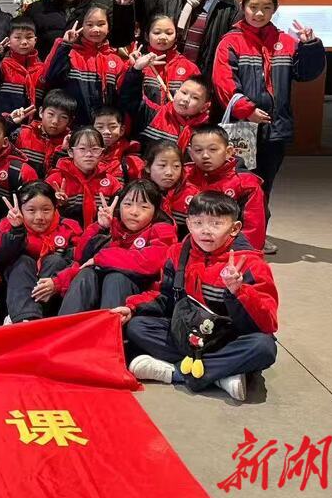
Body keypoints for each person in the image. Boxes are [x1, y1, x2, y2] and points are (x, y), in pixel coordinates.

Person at [119, 192, 278, 403]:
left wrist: (239, 292)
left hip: (226, 338)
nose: (205, 230)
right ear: (188, 224)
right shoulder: (177, 254)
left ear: (234, 228)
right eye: (198, 223)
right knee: (137, 327)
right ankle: (221, 374)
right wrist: (133, 308)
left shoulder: (252, 265)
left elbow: (268, 323)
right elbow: (164, 297)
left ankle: (175, 373)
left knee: (263, 347)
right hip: (188, 333)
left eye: (216, 223)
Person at [213, 0, 325, 243]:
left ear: (275, 9)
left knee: (265, 183)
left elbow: (306, 74)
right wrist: (247, 110)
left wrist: (310, 46)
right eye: (253, 7)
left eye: (266, 7)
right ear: (243, 7)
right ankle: (231, 234)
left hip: (276, 127)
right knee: (239, 181)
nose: (259, 13)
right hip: (242, 127)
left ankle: (257, 235)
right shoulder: (231, 41)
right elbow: (223, 81)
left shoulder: (286, 42)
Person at [54, 180, 177, 314]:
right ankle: (68, 325)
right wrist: (100, 226)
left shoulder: (163, 230)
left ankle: (110, 326)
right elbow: (80, 257)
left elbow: (149, 262)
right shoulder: (113, 224)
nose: (134, 212)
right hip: (99, 290)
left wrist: (101, 258)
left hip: (139, 298)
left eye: (144, 207)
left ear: (155, 211)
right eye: (128, 204)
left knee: (116, 278)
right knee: (86, 274)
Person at [0, 181, 83, 324]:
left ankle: (34, 319)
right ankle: (24, 319)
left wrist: (56, 283)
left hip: (54, 300)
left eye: (46, 210)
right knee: (23, 262)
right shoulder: (10, 226)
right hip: (14, 297)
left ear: (55, 208)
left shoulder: (69, 229)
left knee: (54, 261)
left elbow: (81, 265)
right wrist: (17, 231)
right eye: (31, 210)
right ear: (20, 209)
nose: (39, 217)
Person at [42, 2, 127, 126]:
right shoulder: (70, 53)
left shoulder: (116, 60)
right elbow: (50, 79)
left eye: (101, 24)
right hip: (72, 127)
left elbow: (124, 97)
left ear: (109, 27)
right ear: (81, 26)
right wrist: (65, 45)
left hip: (103, 129)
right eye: (89, 24)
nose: (95, 29)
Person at [185, 125, 266, 251]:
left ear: (228, 152)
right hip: (188, 247)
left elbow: (253, 229)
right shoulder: (183, 176)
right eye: (198, 150)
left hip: (228, 250)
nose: (205, 155)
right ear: (190, 153)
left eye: (213, 149)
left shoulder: (245, 184)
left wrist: (244, 255)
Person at [121, 58, 213, 152]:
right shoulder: (153, 114)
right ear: (176, 93)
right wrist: (136, 70)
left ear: (204, 107)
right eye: (184, 93)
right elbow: (130, 99)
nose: (186, 99)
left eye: (195, 98)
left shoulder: (206, 134)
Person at [45, 126, 123, 227]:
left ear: (102, 153)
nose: (89, 154)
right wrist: (58, 205)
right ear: (70, 152)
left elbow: (118, 219)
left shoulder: (112, 183)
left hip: (100, 235)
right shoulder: (54, 180)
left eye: (95, 149)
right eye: (82, 149)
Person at [0, 14, 44, 117]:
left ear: (35, 40)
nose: (24, 42)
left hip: (33, 124)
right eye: (17, 37)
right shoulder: (2, 64)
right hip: (4, 122)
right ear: (8, 41)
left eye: (29, 37)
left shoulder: (42, 68)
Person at [134, 14, 200, 108]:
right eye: (157, 33)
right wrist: (135, 68)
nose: (163, 37)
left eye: (169, 33)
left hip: (175, 117)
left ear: (176, 36)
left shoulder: (190, 68)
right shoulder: (137, 63)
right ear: (146, 36)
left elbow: (197, 101)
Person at [12, 88, 77, 176]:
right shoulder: (21, 133)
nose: (55, 121)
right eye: (51, 114)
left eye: (63, 117)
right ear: (41, 112)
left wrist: (64, 152)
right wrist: (10, 122)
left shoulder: (71, 143)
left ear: (70, 121)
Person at [144, 140, 198, 239]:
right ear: (147, 167)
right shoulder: (138, 192)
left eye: (176, 166)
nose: (169, 172)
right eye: (162, 165)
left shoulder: (193, 195)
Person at [92, 105, 144, 183]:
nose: (106, 132)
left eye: (112, 127)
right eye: (100, 127)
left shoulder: (132, 160)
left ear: (122, 130)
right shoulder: (84, 156)